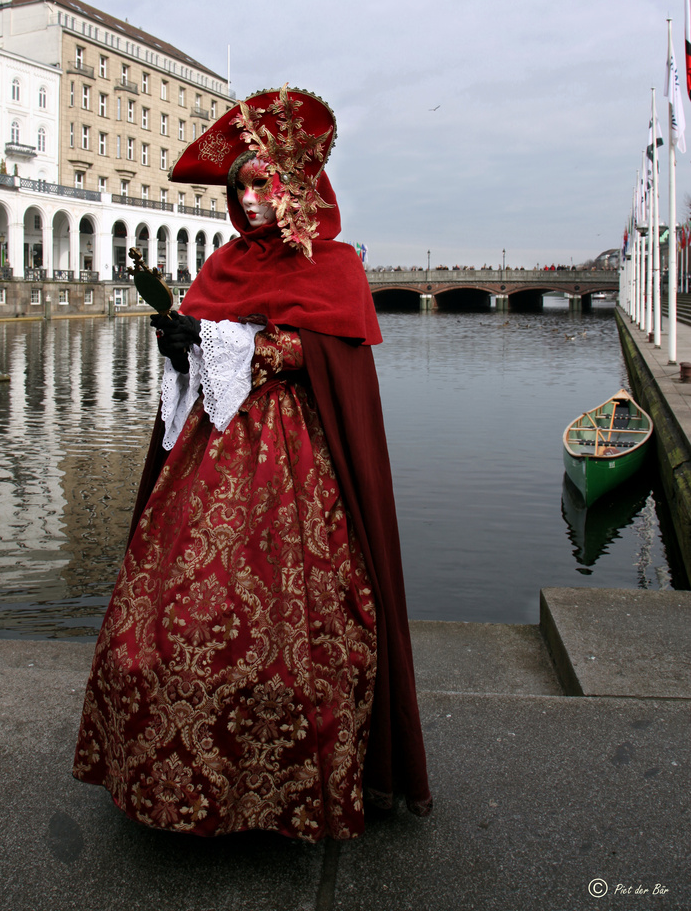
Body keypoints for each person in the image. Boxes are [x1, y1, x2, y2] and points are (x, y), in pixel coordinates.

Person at [73, 86, 430, 842]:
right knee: (176, 601)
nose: (253, 199)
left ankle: (295, 779)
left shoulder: (332, 265)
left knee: (297, 611)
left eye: (265, 182)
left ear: (299, 186)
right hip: (215, 447)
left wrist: (237, 347)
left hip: (298, 451)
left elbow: (323, 353)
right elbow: (205, 347)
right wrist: (182, 344)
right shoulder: (225, 263)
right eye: (242, 187)